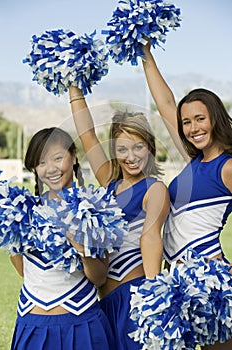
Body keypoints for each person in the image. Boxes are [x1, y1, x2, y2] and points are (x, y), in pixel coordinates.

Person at [141, 42, 232, 349]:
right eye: (186, 122)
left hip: (209, 281)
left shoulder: (228, 166)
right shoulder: (194, 160)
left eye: (200, 119)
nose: (192, 128)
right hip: (177, 282)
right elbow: (166, 103)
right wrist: (146, 54)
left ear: (215, 118)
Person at [68, 86, 170, 349]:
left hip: (135, 298)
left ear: (150, 147)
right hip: (105, 305)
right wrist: (73, 86)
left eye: (138, 147)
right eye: (122, 149)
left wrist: (153, 298)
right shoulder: (110, 185)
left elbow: (150, 236)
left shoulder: (154, 188)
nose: (131, 157)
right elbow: (87, 136)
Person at [9, 127, 116, 350]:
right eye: (41, 163)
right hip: (33, 322)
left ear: (74, 156)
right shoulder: (22, 212)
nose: (51, 169)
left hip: (81, 321)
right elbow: (21, 269)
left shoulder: (95, 209)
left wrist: (81, 247)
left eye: (58, 158)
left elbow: (99, 278)